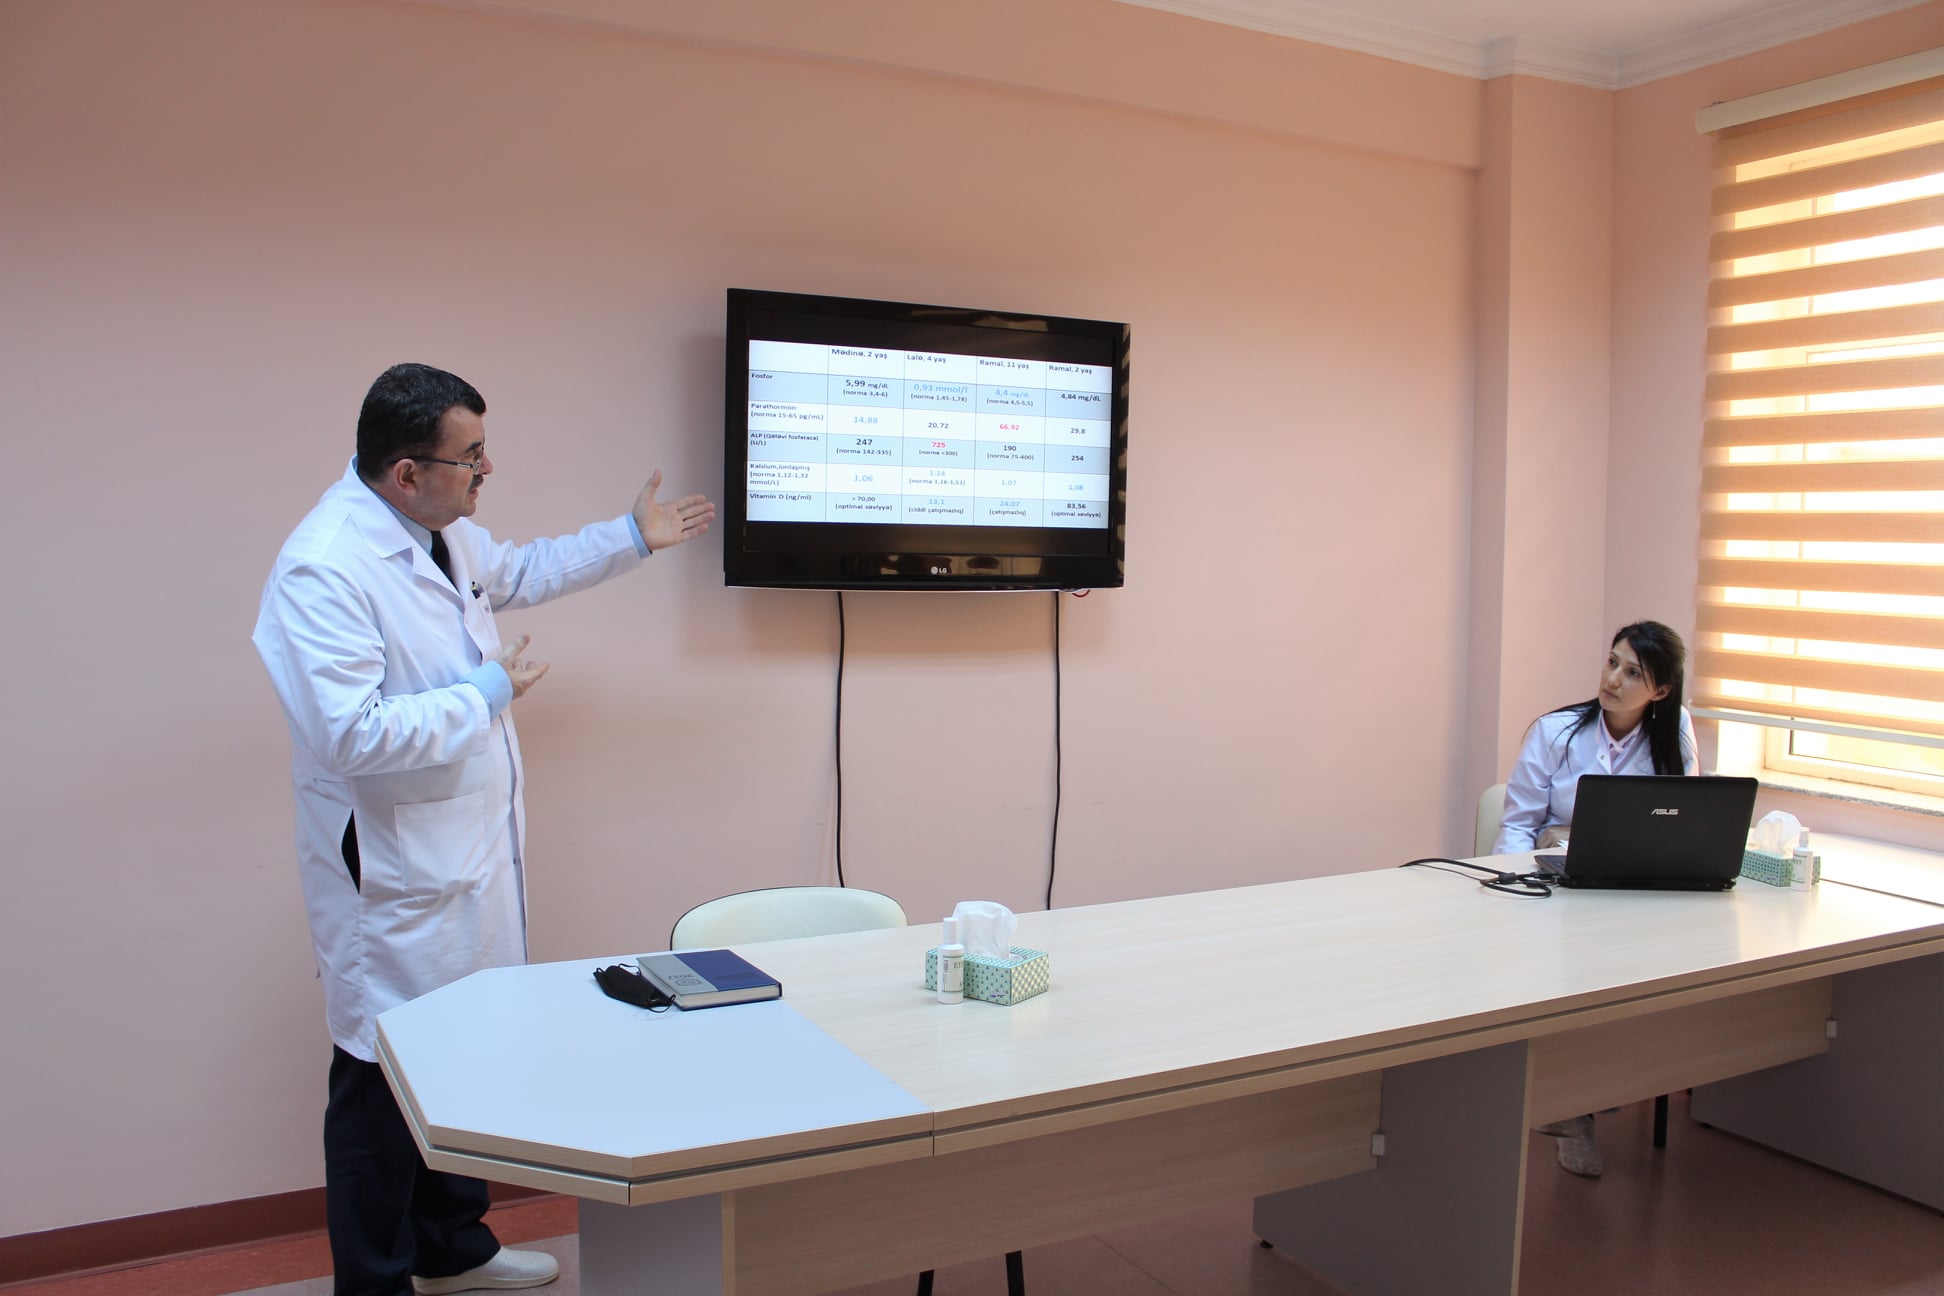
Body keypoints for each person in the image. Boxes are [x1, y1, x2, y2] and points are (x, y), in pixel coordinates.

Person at [253, 363, 714, 1296]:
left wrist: (631, 537)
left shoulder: (439, 532)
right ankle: (375, 1283)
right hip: (393, 873)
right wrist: (484, 694)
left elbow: (521, 571)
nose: (485, 470)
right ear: (405, 472)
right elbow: (348, 735)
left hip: (460, 852)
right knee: (382, 1085)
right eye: (470, 457)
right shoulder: (324, 567)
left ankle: (451, 1249)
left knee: (461, 1055)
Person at [1494, 620, 1698, 1179]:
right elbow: (1518, 826)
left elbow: (1681, 821)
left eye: (1633, 673)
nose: (1612, 679)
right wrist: (1515, 890)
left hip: (1634, 889)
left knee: (1651, 965)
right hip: (1557, 886)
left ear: (1660, 690)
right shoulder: (1555, 731)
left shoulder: (1675, 731)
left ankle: (1591, 1090)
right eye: (1612, 662)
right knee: (1565, 962)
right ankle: (1572, 1108)